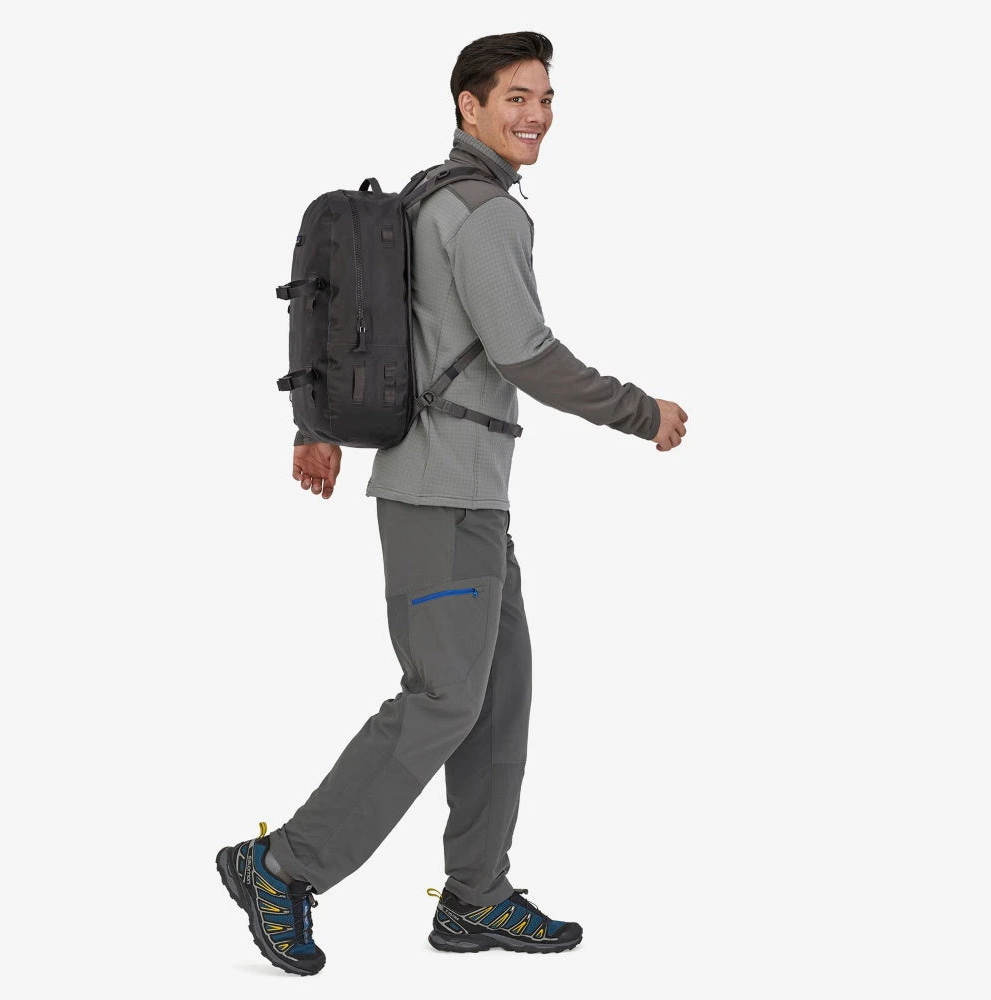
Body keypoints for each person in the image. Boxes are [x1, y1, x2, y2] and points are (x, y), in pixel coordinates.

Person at [217, 30, 688, 976]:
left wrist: (315, 424)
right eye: (516, 97)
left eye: (546, 98)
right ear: (468, 106)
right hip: (443, 500)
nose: (537, 115)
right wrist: (642, 413)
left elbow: (359, 323)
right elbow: (527, 355)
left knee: (498, 697)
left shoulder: (426, 195)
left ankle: (475, 897)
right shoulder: (485, 214)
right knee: (441, 701)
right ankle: (282, 865)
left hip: (465, 498)